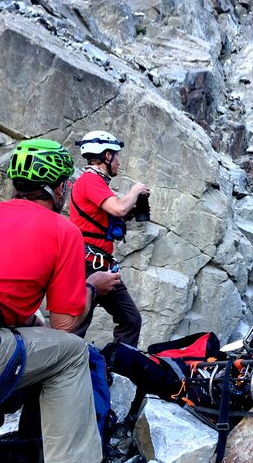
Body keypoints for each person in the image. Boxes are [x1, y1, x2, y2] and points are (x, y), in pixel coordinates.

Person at [0, 139, 119, 463]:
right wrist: (93, 287)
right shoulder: (62, 230)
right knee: (76, 353)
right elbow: (65, 325)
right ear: (60, 188)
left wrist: (33, 322)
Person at [69, 130, 150, 346]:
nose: (119, 162)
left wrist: (135, 206)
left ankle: (117, 370)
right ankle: (62, 370)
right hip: (87, 264)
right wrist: (135, 190)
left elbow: (112, 219)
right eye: (116, 155)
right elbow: (119, 209)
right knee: (77, 327)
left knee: (130, 319)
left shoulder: (97, 184)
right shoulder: (90, 181)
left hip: (99, 264)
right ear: (107, 156)